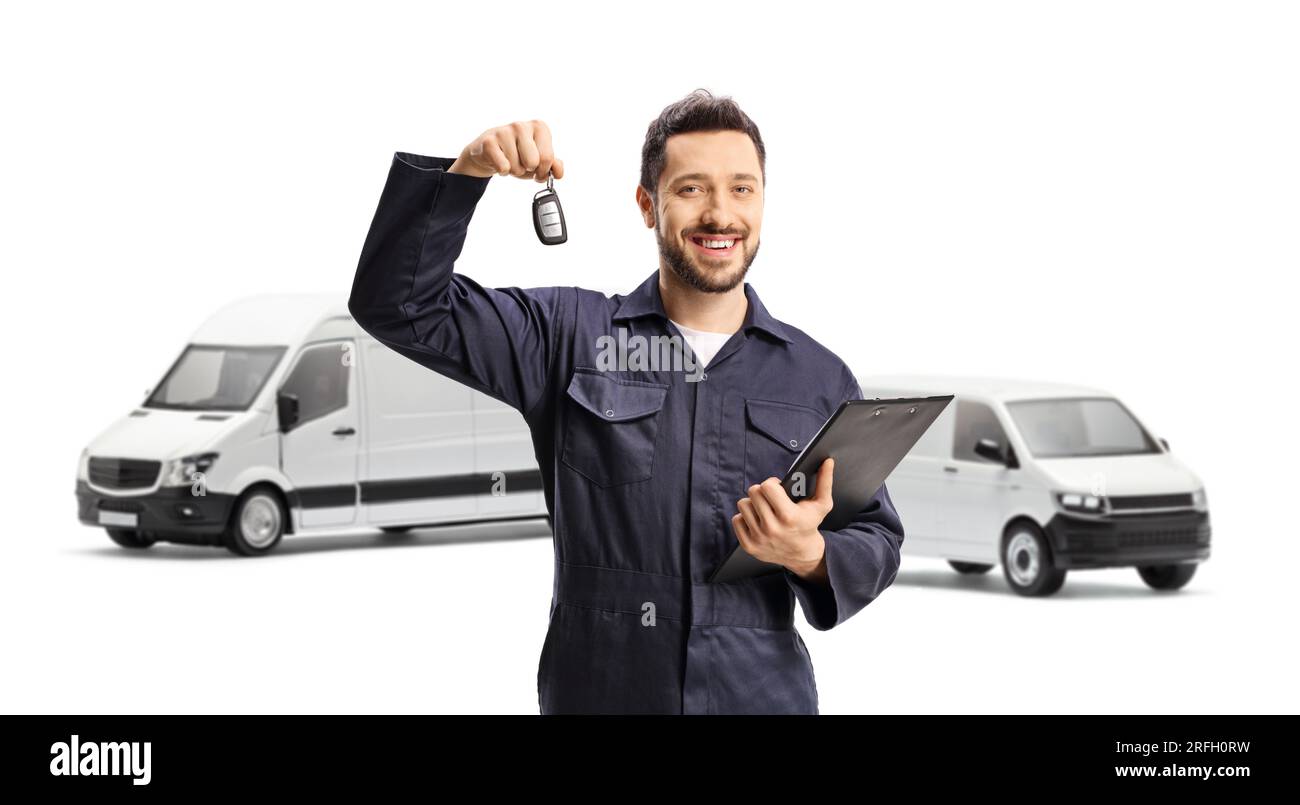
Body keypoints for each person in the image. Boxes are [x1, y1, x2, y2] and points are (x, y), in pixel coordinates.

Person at [348, 89, 904, 714]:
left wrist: (811, 555)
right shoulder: (566, 338)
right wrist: (466, 173)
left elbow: (877, 537)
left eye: (742, 189)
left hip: (764, 697)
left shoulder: (818, 377)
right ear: (647, 205)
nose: (720, 213)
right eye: (691, 188)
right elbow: (399, 306)